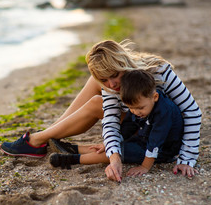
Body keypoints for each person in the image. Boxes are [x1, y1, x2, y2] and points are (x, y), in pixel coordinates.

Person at [1, 40, 202, 180]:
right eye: (105, 79)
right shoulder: (110, 84)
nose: (112, 84)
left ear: (123, 63)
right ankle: (48, 135)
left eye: (115, 74)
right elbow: (111, 122)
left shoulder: (160, 72)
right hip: (138, 124)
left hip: (164, 130)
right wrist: (114, 158)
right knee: (97, 91)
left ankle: (39, 139)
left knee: (97, 103)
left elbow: (192, 112)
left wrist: (187, 159)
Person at [49, 70, 184, 177]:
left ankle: (71, 159)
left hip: (164, 150)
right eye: (132, 108)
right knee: (115, 146)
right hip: (144, 137)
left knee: (122, 151)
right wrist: (109, 144)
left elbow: (155, 142)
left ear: (155, 97)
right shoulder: (138, 102)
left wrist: (144, 167)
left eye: (140, 108)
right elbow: (128, 127)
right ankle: (72, 148)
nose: (136, 112)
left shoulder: (163, 111)